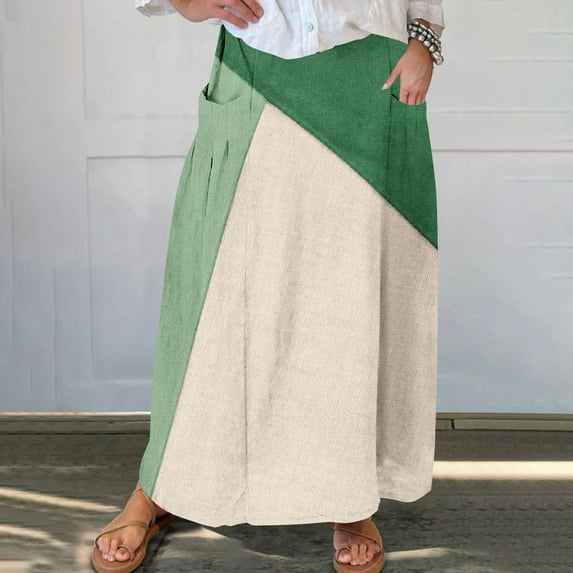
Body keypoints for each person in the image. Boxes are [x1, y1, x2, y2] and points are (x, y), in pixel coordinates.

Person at [91, 1, 445, 572]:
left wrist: (425, 36)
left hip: (371, 76)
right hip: (256, 67)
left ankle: (347, 496)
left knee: (348, 299)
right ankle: (160, 485)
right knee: (213, 297)